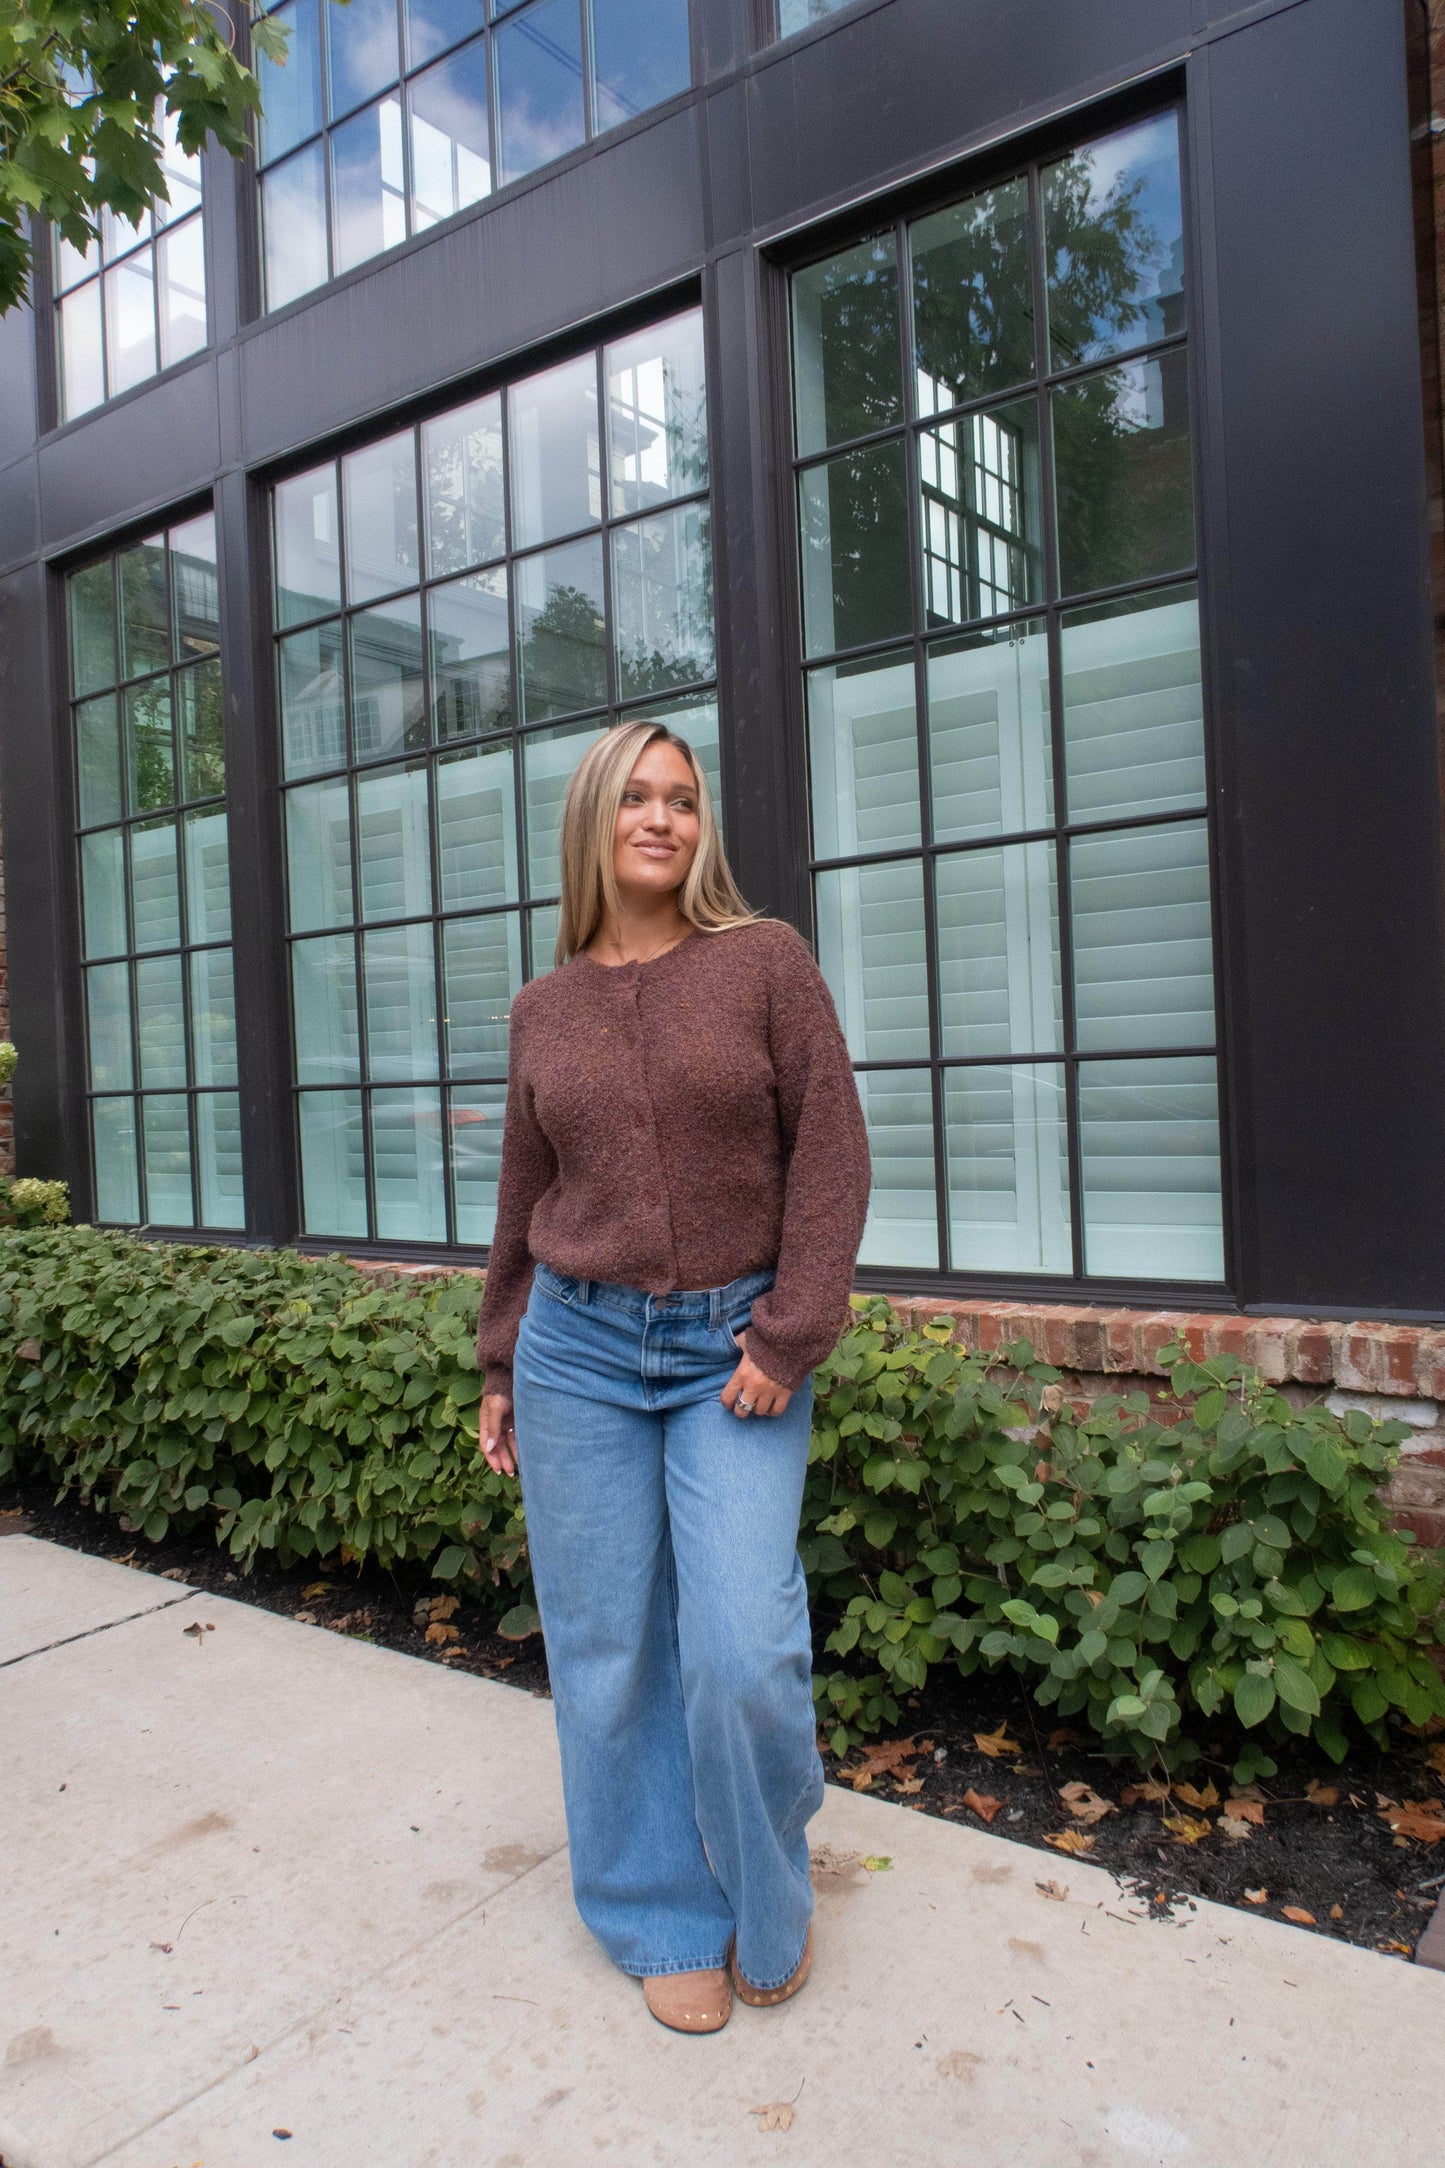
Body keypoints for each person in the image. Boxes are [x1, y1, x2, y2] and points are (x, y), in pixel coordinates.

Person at [475, 716, 870, 2034]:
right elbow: (524, 1194)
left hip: (728, 1357)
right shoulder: (544, 1009)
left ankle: (767, 1887)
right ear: (593, 821)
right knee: (607, 1651)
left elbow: (831, 1153)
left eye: (682, 800)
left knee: (742, 1647)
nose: (661, 819)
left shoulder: (765, 963)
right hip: (575, 1350)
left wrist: (788, 1333)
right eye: (635, 798)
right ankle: (658, 1913)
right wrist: (499, 1361)